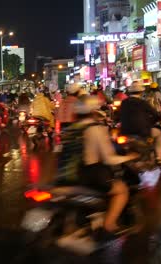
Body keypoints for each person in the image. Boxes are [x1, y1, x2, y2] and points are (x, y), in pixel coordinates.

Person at [58, 96, 138, 232]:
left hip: (66, 174)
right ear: (95, 111)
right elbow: (109, 159)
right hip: (89, 173)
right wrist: (129, 157)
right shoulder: (95, 128)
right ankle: (110, 224)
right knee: (122, 190)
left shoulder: (70, 129)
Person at [119, 81, 161, 163]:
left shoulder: (124, 102)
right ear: (141, 92)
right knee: (159, 133)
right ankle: (159, 158)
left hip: (125, 133)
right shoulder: (142, 103)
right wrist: (160, 117)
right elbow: (155, 114)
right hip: (142, 133)